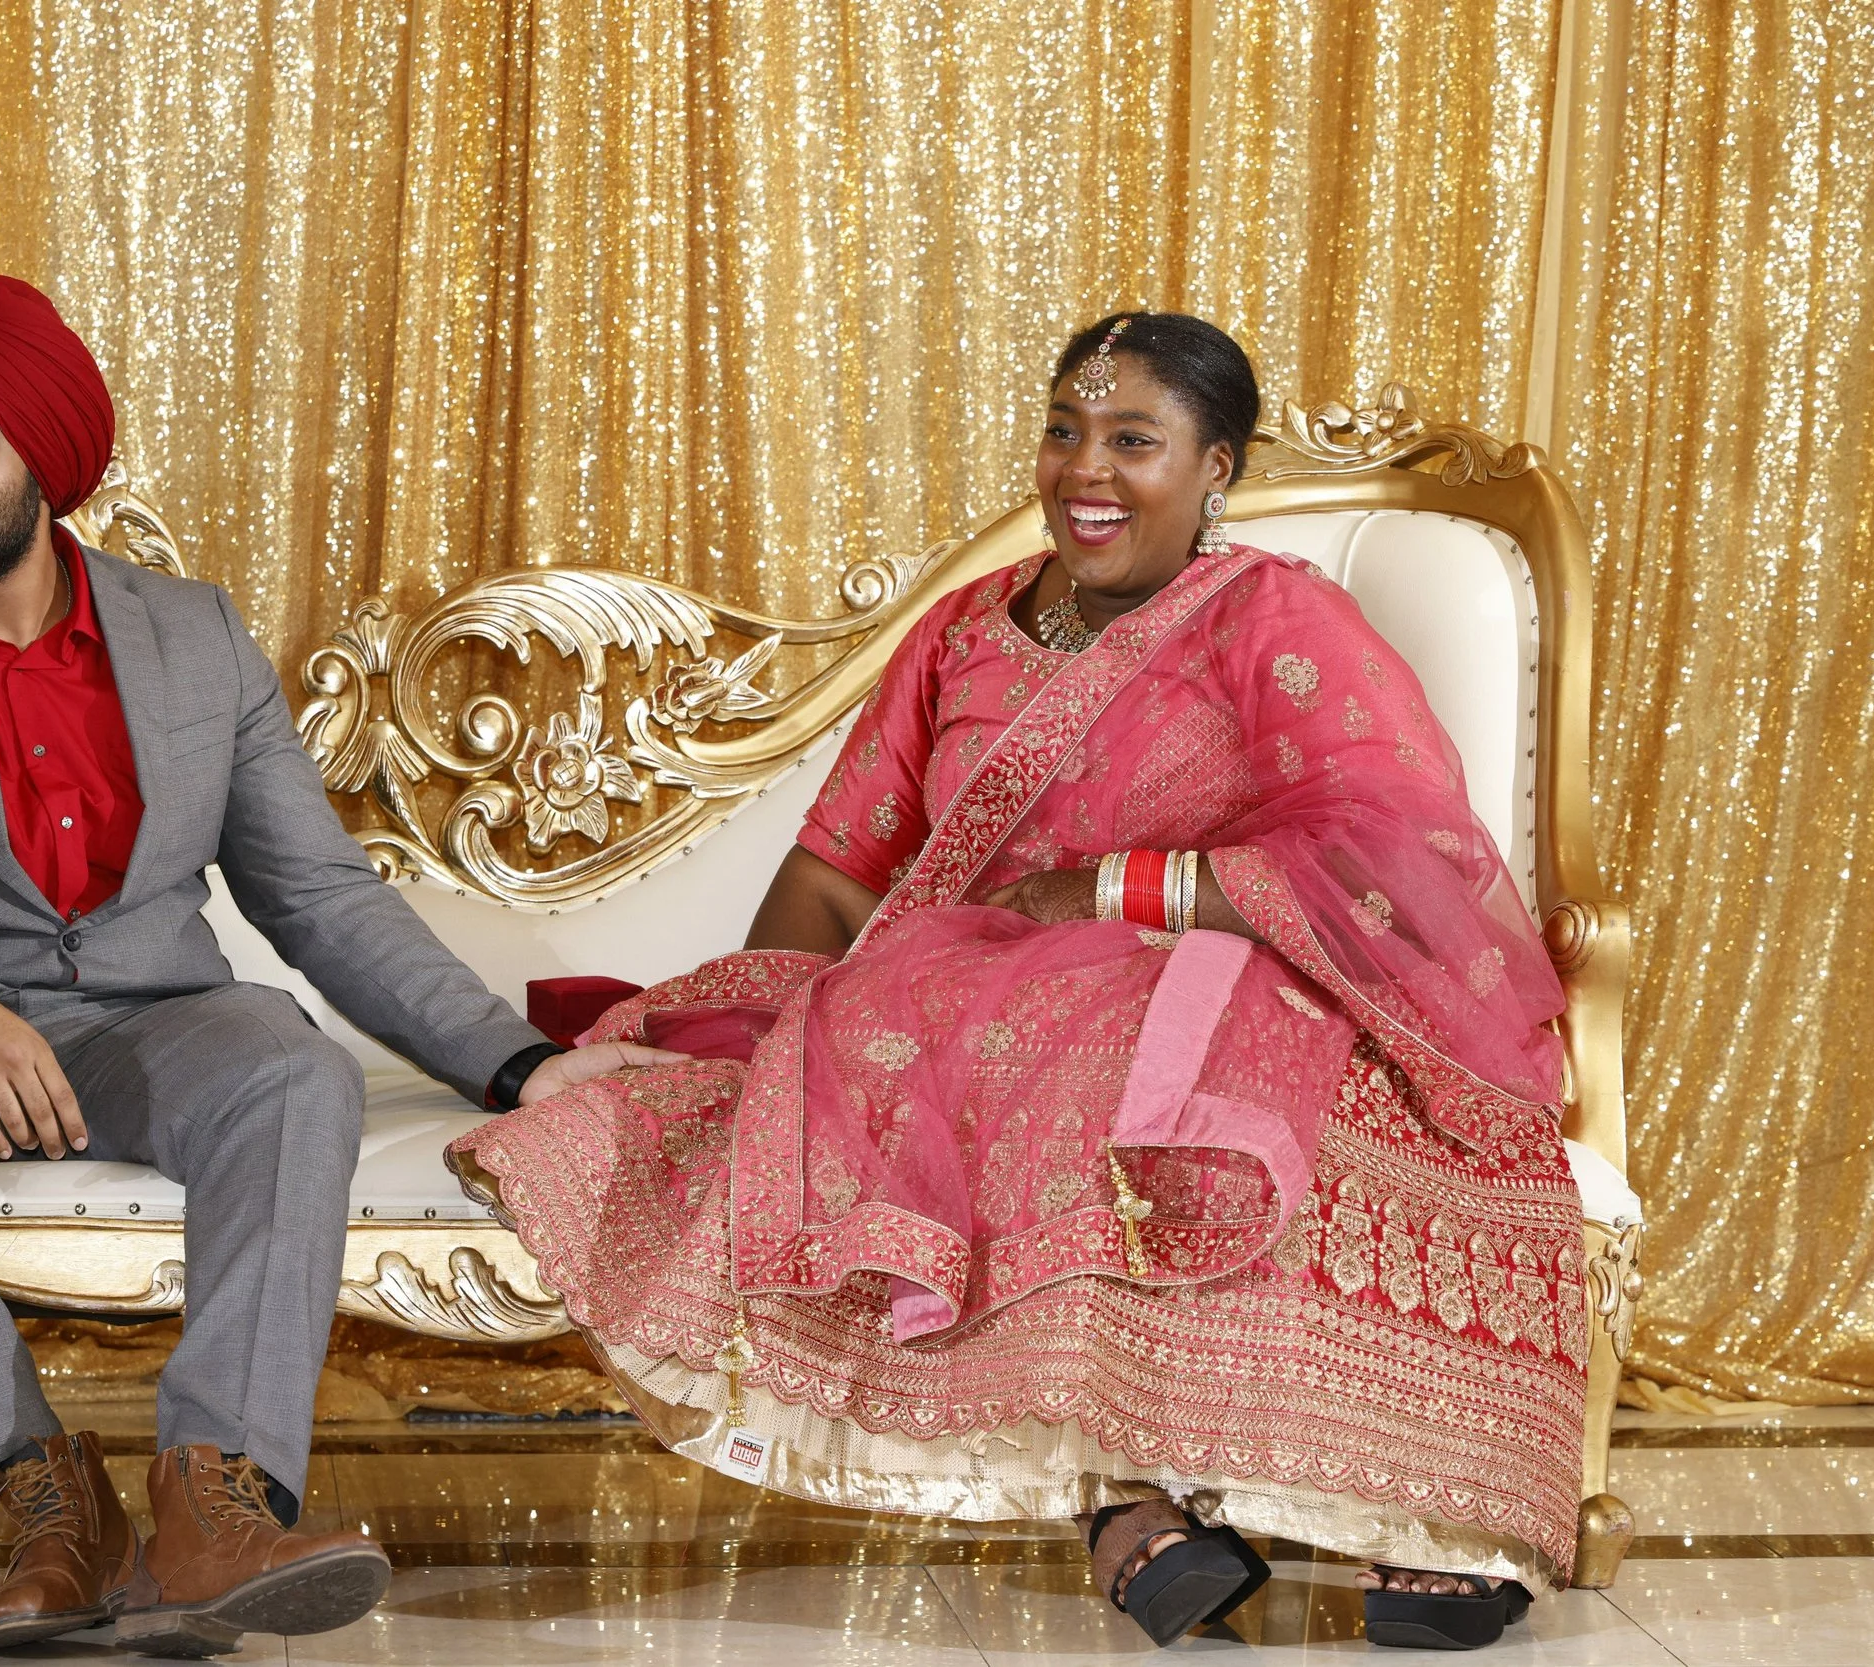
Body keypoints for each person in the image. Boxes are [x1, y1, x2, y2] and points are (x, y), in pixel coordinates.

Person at [453, 312, 1587, 1652]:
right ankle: (1121, 1501)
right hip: (968, 1003)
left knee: (1131, 1054)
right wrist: (772, 1010)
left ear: (1216, 465)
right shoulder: (959, 638)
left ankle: (1422, 1513)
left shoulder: (1277, 618)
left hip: (1226, 981)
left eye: (1131, 440)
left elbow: (1395, 843)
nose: (1084, 470)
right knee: (941, 1042)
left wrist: (1118, 893)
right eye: (1064, 431)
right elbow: (834, 873)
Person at [0, 274, 662, 1655]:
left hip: (148, 1028)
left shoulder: (195, 638)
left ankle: (215, 1502)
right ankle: (50, 1496)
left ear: (45, 455)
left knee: (294, 1065)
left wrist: (521, 1062)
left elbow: (318, 895)